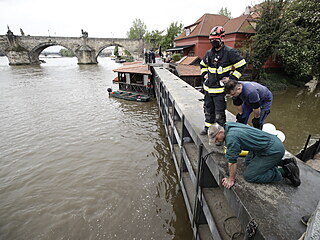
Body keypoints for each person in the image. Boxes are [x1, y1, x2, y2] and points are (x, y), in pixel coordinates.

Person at [207, 122, 301, 189]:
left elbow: (232, 162)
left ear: (220, 132)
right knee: (248, 162)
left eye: (216, 139)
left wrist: (231, 179)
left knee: (250, 175)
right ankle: (284, 162)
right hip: (267, 144)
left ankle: (286, 171)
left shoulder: (231, 138)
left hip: (273, 150)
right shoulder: (229, 125)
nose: (217, 141)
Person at [200, 26, 246, 135]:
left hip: (220, 90)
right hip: (208, 89)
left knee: (219, 113)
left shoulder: (229, 52)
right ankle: (208, 128)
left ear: (221, 39)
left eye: (215, 40)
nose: (213, 42)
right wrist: (205, 74)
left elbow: (241, 65)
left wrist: (232, 79)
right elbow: (202, 65)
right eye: (211, 40)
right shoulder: (208, 53)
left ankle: (220, 134)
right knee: (208, 110)